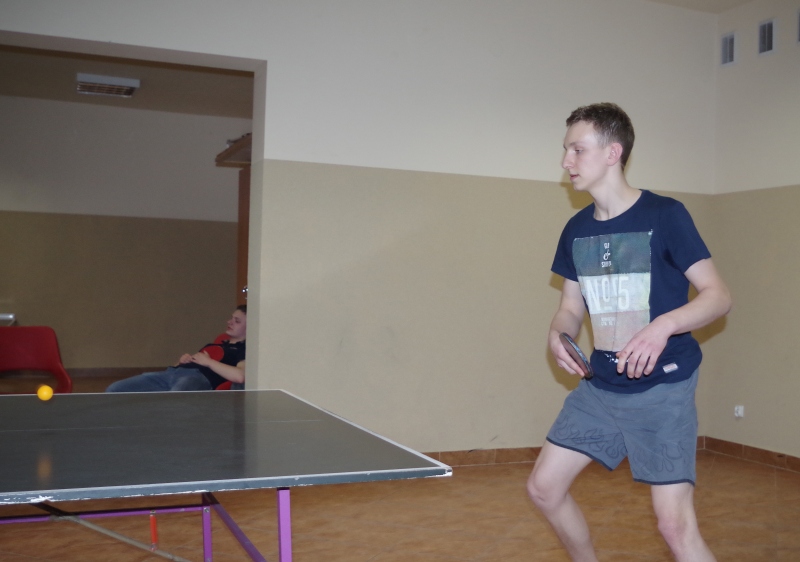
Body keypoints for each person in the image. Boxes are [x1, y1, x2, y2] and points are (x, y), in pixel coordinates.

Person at [527, 103, 731, 562]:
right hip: (601, 388)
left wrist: (664, 326)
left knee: (674, 526)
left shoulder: (665, 214)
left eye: (577, 149)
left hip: (663, 390)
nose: (566, 161)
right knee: (543, 489)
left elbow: (718, 296)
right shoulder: (576, 229)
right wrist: (558, 334)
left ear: (612, 152)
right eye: (565, 150)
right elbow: (569, 308)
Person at [106, 305, 247, 392]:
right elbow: (183, 365)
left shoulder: (244, 348)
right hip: (171, 374)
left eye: (237, 321)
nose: (229, 322)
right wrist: (182, 361)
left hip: (197, 378)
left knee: (174, 402)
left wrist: (209, 362)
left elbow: (239, 376)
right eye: (231, 318)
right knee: (115, 389)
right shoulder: (215, 344)